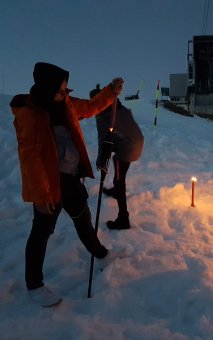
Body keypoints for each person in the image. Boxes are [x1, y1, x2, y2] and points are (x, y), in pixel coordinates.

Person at [10, 62, 125, 307]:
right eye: (61, 90)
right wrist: (42, 197)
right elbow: (30, 159)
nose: (66, 94)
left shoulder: (66, 104)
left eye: (66, 89)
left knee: (83, 221)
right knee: (41, 232)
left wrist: (111, 91)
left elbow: (92, 107)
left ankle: (102, 256)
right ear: (46, 89)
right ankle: (34, 286)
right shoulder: (30, 115)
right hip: (49, 184)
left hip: (71, 179)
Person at [89, 84, 144, 230]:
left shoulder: (102, 113)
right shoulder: (118, 107)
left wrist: (101, 160)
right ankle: (116, 189)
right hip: (134, 142)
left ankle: (123, 219)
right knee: (118, 171)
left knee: (120, 180)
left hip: (127, 147)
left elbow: (104, 139)